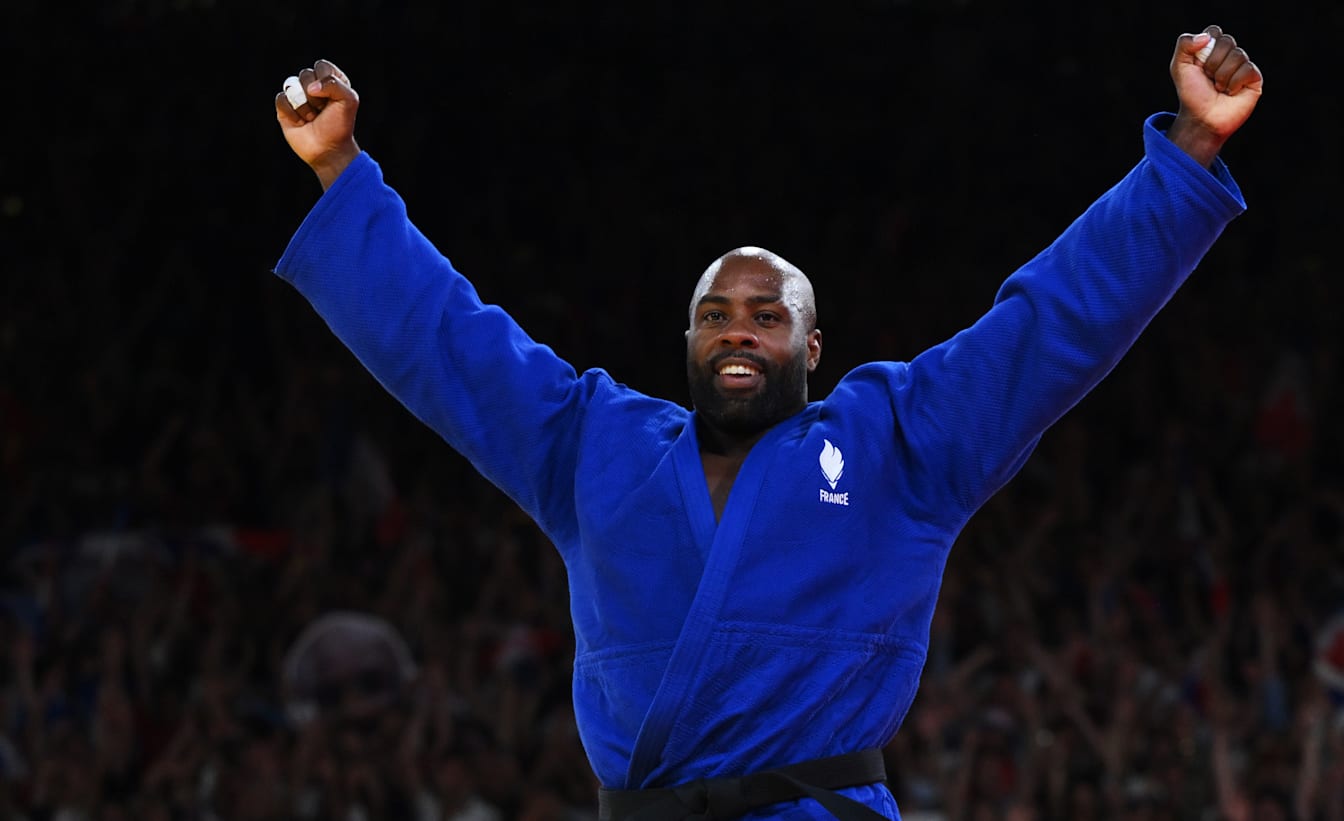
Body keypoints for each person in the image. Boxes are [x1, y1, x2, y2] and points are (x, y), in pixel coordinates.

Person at [271, 24, 1263, 820]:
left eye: (765, 314)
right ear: (687, 341)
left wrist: (1187, 151)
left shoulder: (894, 445)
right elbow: (452, 346)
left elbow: (1045, 328)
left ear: (811, 345)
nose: (736, 330)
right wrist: (341, 169)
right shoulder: (596, 444)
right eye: (713, 315)